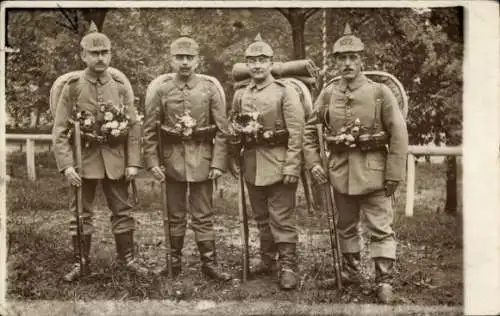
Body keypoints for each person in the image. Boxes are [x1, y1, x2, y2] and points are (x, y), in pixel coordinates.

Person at [303, 24, 408, 303]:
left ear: (362, 59)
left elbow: (398, 134)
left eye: (353, 58)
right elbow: (310, 131)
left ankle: (384, 280)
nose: (347, 63)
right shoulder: (327, 94)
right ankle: (350, 272)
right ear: (335, 61)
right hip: (340, 174)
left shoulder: (380, 93)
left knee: (380, 227)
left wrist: (394, 174)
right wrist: (314, 162)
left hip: (375, 173)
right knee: (345, 226)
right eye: (342, 58)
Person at [52, 22, 148, 282]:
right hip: (84, 161)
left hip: (116, 159)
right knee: (80, 213)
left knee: (123, 210)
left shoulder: (119, 85)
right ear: (83, 56)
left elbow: (134, 125)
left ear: (110, 54)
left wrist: (133, 163)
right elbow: (60, 130)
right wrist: (67, 166)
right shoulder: (72, 87)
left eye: (104, 52)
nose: (100, 57)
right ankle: (80, 262)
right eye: (94, 53)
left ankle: (128, 259)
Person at [142, 35, 231, 281]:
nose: (184, 62)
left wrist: (218, 163)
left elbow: (222, 130)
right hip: (171, 162)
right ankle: (174, 262)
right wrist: (152, 162)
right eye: (179, 57)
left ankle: (209, 264)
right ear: (171, 60)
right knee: (174, 213)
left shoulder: (209, 89)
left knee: (203, 213)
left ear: (197, 60)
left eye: (189, 58)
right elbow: (150, 130)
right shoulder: (161, 90)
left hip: (202, 159)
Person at [230, 34, 305, 290]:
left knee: (281, 217)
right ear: (247, 65)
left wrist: (293, 165)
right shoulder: (240, 94)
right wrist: (234, 156)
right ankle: (267, 260)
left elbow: (297, 132)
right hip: (251, 163)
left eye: (263, 60)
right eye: (252, 61)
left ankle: (288, 266)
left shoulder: (285, 92)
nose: (258, 66)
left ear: (272, 63)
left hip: (279, 163)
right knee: (261, 217)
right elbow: (235, 128)